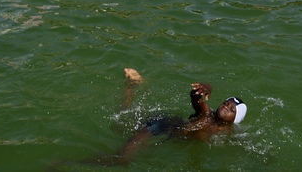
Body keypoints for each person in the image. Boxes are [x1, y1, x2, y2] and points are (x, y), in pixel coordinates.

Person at [98, 68, 246, 165]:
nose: (226, 107)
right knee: (123, 147)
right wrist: (206, 88)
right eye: (226, 103)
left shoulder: (228, 134)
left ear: (235, 119)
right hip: (162, 125)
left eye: (231, 109)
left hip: (174, 136)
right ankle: (132, 85)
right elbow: (196, 98)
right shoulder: (206, 115)